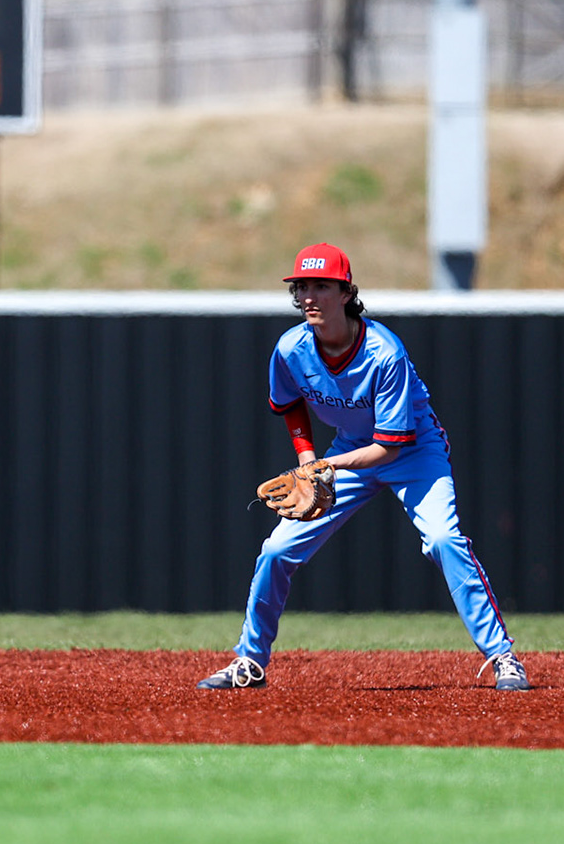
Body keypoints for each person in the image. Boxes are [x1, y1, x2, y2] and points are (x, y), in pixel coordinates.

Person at [198, 243, 528, 690]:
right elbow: (289, 403)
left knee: (444, 539)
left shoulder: (383, 352)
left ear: (346, 291)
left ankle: (503, 656)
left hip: (414, 450)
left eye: (321, 286)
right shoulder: (291, 348)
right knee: (276, 552)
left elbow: (389, 449)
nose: (309, 296)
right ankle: (249, 661)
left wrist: (325, 464)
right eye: (302, 287)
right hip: (349, 449)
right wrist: (307, 460)